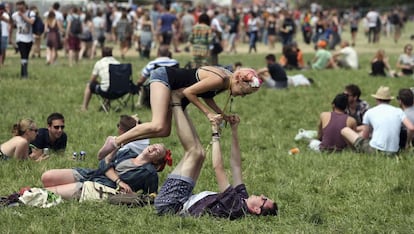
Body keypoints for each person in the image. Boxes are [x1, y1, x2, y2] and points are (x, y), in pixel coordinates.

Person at [154, 91, 278, 219]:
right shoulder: (242, 199)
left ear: (256, 210)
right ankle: (182, 104)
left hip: (170, 205)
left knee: (194, 153)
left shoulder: (235, 206)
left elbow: (218, 168)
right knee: (200, 154)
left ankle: (175, 101)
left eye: (264, 199)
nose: (262, 195)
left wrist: (215, 134)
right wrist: (234, 130)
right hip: (183, 198)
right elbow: (236, 166)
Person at [97, 65, 262, 159]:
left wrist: (223, 115)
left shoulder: (225, 80)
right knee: (157, 124)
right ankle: (115, 141)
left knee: (164, 131)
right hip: (165, 78)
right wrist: (208, 114)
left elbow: (206, 95)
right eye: (244, 92)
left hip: (174, 86)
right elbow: (189, 92)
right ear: (239, 81)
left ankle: (122, 143)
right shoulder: (220, 79)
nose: (242, 96)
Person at [41, 115, 172, 199]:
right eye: (155, 145)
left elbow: (152, 196)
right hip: (92, 173)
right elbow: (103, 163)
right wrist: (119, 181)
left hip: (99, 186)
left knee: (49, 192)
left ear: (156, 161)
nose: (153, 148)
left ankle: (25, 195)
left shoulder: (149, 172)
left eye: (157, 152)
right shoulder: (128, 153)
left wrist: (131, 194)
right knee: (47, 177)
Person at [341, 86, 414, 154]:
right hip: (394, 151)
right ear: (389, 100)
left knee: (345, 130)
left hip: (375, 150)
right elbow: (411, 128)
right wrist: (407, 144)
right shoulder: (398, 111)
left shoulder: (370, 112)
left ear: (376, 99)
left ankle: (354, 151)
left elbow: (365, 137)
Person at [81, 47, 120, 111]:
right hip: (120, 91)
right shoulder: (118, 63)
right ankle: (107, 104)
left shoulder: (99, 63)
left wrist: (98, 82)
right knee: (110, 84)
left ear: (102, 54)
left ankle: (84, 107)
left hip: (106, 91)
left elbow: (92, 80)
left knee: (89, 85)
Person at [11, 1, 35, 78]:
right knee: (23, 56)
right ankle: (25, 74)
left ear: (24, 5)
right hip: (20, 38)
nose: (19, 7)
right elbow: (13, 24)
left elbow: (31, 22)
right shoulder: (14, 15)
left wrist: (22, 16)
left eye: (20, 5)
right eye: (17, 5)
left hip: (29, 38)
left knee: (26, 56)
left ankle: (23, 73)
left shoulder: (31, 13)